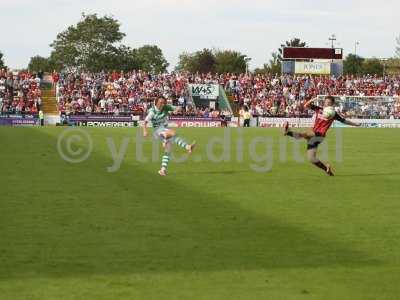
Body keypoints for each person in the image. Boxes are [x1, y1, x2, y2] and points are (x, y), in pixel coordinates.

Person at [283, 96, 361, 176]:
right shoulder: (319, 109)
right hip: (313, 133)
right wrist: (312, 99)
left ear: (332, 104)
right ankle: (326, 168)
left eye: (329, 103)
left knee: (305, 134)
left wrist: (355, 124)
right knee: (311, 158)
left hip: (320, 135)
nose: (326, 103)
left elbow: (344, 121)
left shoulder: (333, 114)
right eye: (326, 102)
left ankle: (288, 132)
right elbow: (306, 105)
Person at [143, 96, 196, 176]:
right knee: (173, 133)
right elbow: (145, 122)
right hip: (157, 130)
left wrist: (176, 110)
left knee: (168, 150)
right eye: (160, 102)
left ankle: (162, 170)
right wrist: (145, 131)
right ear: (156, 103)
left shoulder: (166, 107)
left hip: (165, 129)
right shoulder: (152, 111)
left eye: (164, 102)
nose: (162, 104)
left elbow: (179, 107)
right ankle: (183, 145)